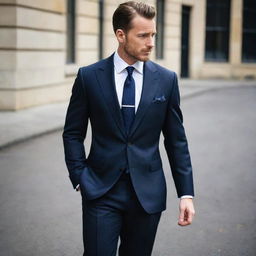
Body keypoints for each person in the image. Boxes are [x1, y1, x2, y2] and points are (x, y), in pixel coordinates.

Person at [63, 1, 195, 255]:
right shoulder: (89, 77)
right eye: (143, 35)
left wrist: (186, 193)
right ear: (121, 35)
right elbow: (72, 132)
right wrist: (80, 177)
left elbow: (176, 140)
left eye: (153, 35)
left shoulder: (166, 80)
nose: (151, 42)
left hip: (147, 195)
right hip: (101, 191)